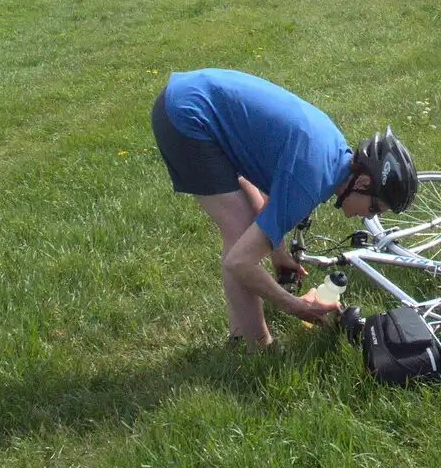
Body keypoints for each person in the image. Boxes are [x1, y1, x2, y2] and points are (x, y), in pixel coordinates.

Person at [151, 68, 418, 348]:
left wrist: (277, 251)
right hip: (186, 115)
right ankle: (257, 345)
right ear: (363, 181)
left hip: (196, 94)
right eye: (375, 207)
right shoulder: (310, 181)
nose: (369, 216)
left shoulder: (332, 155)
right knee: (240, 235)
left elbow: (272, 188)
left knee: (247, 229)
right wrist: (295, 306)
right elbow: (240, 261)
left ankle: (242, 336)